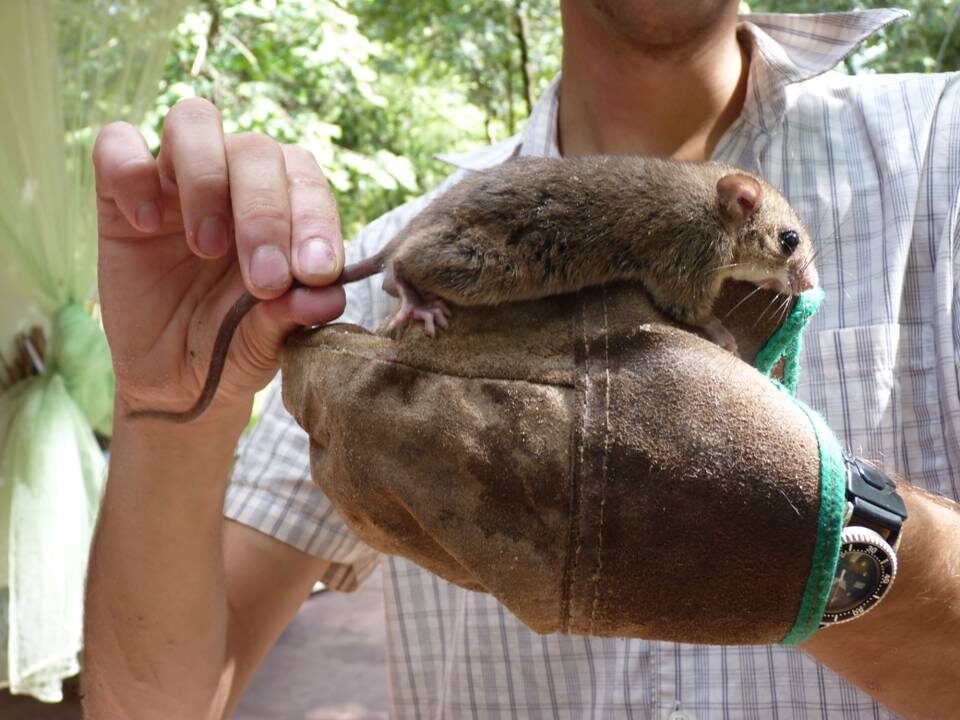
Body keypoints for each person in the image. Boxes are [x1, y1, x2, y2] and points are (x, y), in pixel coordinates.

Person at [84, 2, 960, 718]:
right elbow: (158, 702)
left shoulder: (937, 151)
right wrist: (165, 407)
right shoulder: (385, 269)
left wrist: (841, 547)